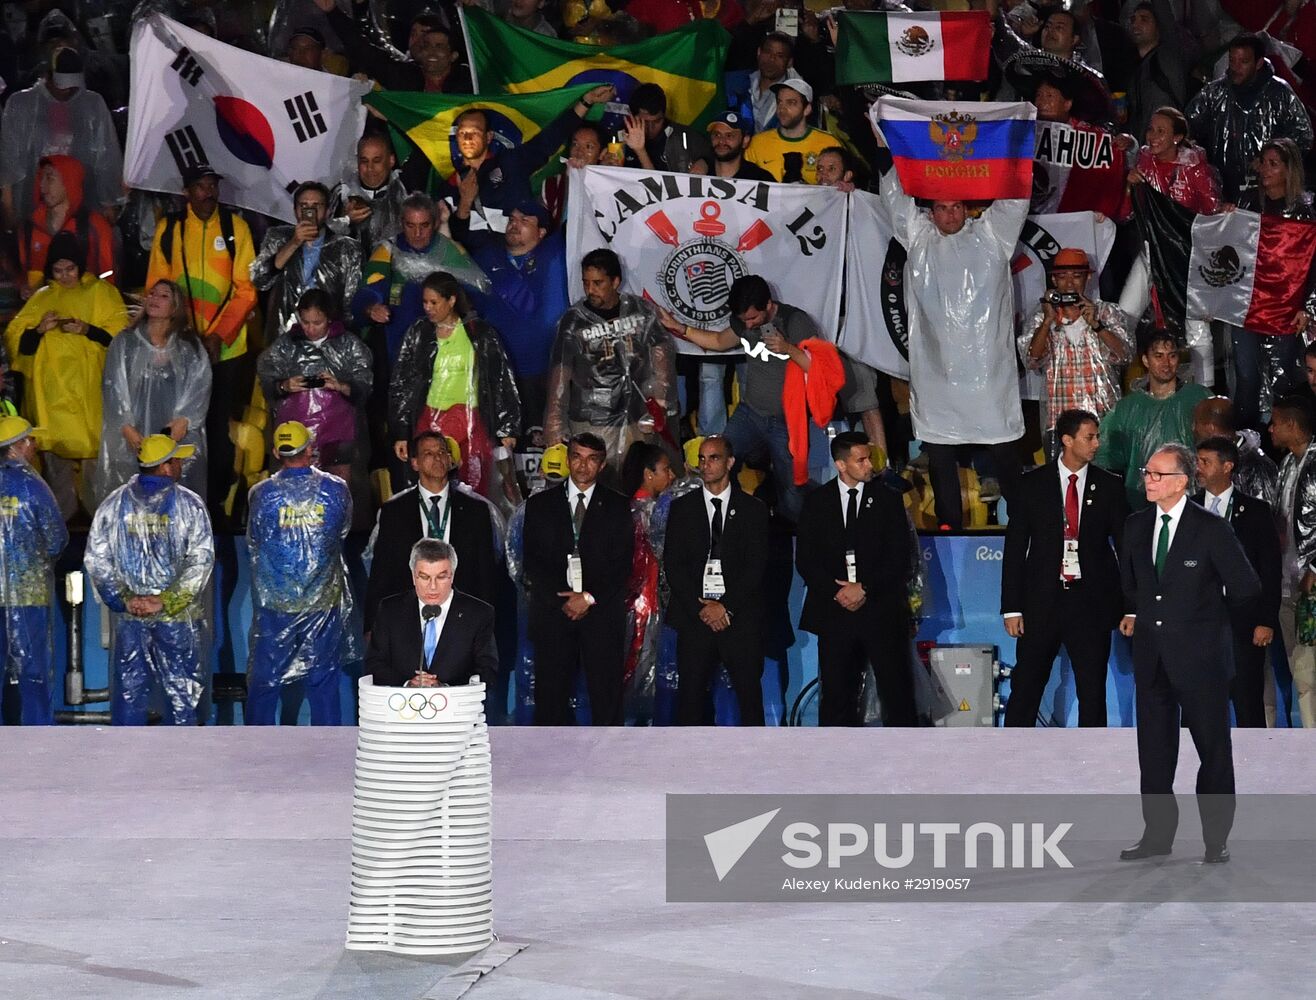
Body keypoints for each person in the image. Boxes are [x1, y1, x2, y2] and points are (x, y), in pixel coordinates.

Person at [875, 131, 1029, 529]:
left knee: (1007, 461)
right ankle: (948, 534)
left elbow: (1015, 198)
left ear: (967, 208)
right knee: (941, 461)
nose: (949, 215)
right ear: (931, 212)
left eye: (956, 207)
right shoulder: (919, 238)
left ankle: (1029, 528)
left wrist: (1018, 140)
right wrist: (885, 141)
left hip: (988, 378)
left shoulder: (992, 236)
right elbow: (894, 196)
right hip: (938, 377)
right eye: (941, 209)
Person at [1117, 443, 1261, 863]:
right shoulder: (1135, 526)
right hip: (1152, 658)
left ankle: (1216, 840)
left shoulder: (1211, 528)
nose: (1148, 479)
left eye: (1157, 474)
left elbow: (1245, 587)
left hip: (1202, 662)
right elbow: (1132, 583)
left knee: (1213, 752)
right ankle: (1157, 836)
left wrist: (1207, 624)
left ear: (1180, 482)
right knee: (1155, 755)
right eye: (1147, 472)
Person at [1001, 409, 1130, 727]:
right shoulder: (1031, 485)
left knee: (1092, 691)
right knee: (1027, 685)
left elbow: (1127, 549)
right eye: (1090, 437)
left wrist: (1132, 606)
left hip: (1091, 603)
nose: (1097, 443)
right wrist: (1011, 608)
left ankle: (1093, 762)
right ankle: (1010, 756)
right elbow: (1015, 549)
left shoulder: (1110, 486)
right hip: (1041, 602)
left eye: (1097, 436)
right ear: (1067, 440)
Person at [145, 163, 257, 521]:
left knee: (219, 426)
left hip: (227, 351)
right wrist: (175, 340)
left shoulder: (235, 228)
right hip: (181, 351)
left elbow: (247, 289)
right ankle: (177, 497)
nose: (208, 193)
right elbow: (158, 291)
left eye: (213, 185)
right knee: (180, 425)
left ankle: (218, 504)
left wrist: (217, 336)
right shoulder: (170, 230)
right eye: (201, 187)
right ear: (186, 192)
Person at [660, 275, 820, 523]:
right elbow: (718, 341)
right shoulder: (744, 322)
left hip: (787, 421)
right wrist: (680, 328)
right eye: (743, 320)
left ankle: (795, 540)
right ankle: (727, 521)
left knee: (792, 492)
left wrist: (788, 348)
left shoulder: (795, 321)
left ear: (768, 305)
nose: (749, 324)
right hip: (750, 413)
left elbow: (819, 368)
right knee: (717, 462)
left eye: (753, 318)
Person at [84, 435, 215, 726]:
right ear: (165, 467)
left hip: (131, 618)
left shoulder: (114, 503)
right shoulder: (189, 504)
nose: (181, 464)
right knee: (183, 694)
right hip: (178, 619)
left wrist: (124, 600)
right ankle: (185, 763)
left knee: (130, 694)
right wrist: (165, 601)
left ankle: (127, 764)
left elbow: (97, 558)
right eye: (176, 459)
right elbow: (201, 560)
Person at [4, 232, 129, 520]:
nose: (64, 276)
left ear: (81, 266)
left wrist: (88, 330)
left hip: (90, 395)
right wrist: (38, 330)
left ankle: (102, 521)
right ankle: (60, 525)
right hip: (52, 399)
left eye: (70, 269)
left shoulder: (101, 293)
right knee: (56, 467)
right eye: (58, 270)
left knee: (94, 465)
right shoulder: (42, 298)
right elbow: (15, 341)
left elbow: (120, 337)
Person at [796, 432, 917, 726]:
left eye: (868, 459)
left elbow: (900, 557)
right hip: (835, 613)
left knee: (897, 693)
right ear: (840, 464)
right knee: (836, 695)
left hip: (880, 609)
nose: (868, 466)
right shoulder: (816, 502)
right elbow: (807, 560)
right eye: (860, 460)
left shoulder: (888, 500)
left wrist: (864, 588)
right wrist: (838, 593)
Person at [246, 421, 356, 725]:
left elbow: (255, 540)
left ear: (275, 452)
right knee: (322, 681)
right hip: (322, 601)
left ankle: (253, 747)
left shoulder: (262, 494)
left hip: (276, 603)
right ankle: (328, 747)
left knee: (266, 681)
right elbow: (340, 532)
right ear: (310, 449)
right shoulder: (336, 490)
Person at [522, 432, 635, 724]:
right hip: (553, 613)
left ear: (602, 465)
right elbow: (533, 561)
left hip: (601, 615)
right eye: (577, 457)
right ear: (568, 459)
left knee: (606, 697)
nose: (583, 466)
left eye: (592, 459)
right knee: (550, 698)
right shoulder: (540, 505)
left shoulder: (619, 506)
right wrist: (563, 599)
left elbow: (623, 563)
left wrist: (587, 597)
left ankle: (609, 763)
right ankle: (550, 765)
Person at [664, 435, 769, 725]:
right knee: (692, 696)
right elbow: (674, 565)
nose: (707, 465)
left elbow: (756, 567)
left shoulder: (753, 510)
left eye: (714, 458)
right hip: (696, 617)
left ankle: (757, 762)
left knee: (749, 695)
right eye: (702, 459)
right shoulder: (682, 508)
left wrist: (725, 607)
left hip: (739, 618)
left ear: (730, 462)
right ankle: (693, 763)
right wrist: (703, 609)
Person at [544, 249, 678, 476]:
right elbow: (560, 373)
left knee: (634, 479)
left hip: (637, 414)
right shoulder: (574, 320)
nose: (590, 290)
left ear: (616, 281)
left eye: (598, 283)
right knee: (596, 480)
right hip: (592, 418)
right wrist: (555, 421)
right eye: (586, 283)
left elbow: (661, 356)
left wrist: (660, 400)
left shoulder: (640, 311)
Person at [389, 272, 521, 500]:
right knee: (430, 483)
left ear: (451, 301)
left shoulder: (479, 333)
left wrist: (507, 427)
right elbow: (402, 383)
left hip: (472, 422)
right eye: (424, 302)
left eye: (434, 302)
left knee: (475, 484)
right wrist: (401, 432)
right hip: (430, 421)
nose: (428, 308)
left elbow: (500, 379)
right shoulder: (418, 333)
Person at [450, 195, 569, 438]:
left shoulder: (557, 255)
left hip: (550, 374)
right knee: (506, 449)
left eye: (525, 220)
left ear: (542, 231)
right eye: (512, 219)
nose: (515, 223)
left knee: (547, 450)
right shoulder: (486, 258)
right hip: (500, 375)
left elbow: (581, 217)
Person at [1120, 107, 1221, 385]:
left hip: (1187, 259)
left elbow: (1212, 217)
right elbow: (1126, 214)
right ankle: (1116, 384)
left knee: (1197, 326)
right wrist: (1129, 187)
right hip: (1151, 253)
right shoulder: (1142, 162)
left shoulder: (1196, 170)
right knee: (1124, 315)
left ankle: (1205, 395)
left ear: (1177, 137)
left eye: (1160, 131)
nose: (1152, 136)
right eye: (1150, 129)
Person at [365, 430, 499, 631]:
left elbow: (486, 575)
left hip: (462, 621)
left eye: (442, 452)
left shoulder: (476, 511)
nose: (437, 458)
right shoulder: (394, 511)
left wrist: (488, 627)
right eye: (428, 453)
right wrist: (371, 627)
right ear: (415, 463)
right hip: (409, 621)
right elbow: (381, 573)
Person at [97, 280, 212, 502]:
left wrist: (184, 421)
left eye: (164, 296)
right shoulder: (124, 343)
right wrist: (127, 427)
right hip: (133, 438)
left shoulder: (190, 348)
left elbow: (200, 387)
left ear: (175, 306)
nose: (155, 298)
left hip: (175, 437)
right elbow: (113, 387)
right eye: (152, 293)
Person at [1228, 138, 1316, 430]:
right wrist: (1225, 219)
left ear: (1289, 170)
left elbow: (1313, 266)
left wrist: (1307, 307)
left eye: (1273, 164)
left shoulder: (1306, 211)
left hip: (1287, 307)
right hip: (1248, 305)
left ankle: (1286, 439)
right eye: (1262, 162)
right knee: (1247, 376)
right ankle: (1246, 440)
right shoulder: (1249, 204)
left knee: (1285, 376)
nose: (1264, 169)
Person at [440, 86, 616, 231]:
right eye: (463, 133)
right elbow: (449, 239)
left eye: (475, 133)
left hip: (525, 258)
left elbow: (551, 138)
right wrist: (465, 202)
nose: (468, 139)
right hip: (480, 264)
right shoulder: (449, 186)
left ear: (489, 136)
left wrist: (586, 101)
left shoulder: (512, 162)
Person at [1194, 435, 1280, 728]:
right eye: (1198, 461)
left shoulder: (1255, 512)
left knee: (1247, 702)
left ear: (1227, 466)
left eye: (1206, 462)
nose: (1199, 468)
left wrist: (1266, 619)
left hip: (1243, 623)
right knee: (1198, 704)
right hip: (1198, 622)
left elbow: (1270, 570)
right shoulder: (1187, 509)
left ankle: (1254, 769)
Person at [1018, 247, 1132, 451]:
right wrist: (1047, 322)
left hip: (1104, 419)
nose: (1069, 283)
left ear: (1087, 278)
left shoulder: (1106, 312)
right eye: (1062, 277)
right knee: (1062, 481)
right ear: (1054, 281)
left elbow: (1124, 355)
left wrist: (1097, 325)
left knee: (1104, 480)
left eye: (1076, 276)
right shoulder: (1042, 317)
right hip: (1061, 422)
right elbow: (1032, 360)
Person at [257, 288, 373, 484]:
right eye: (305, 322)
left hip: (339, 437)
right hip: (295, 437)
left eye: (317, 323)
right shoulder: (286, 345)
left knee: (339, 489)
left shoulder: (349, 345)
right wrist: (284, 386)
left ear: (329, 318)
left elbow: (364, 387)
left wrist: (340, 386)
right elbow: (266, 379)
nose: (310, 329)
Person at [0, 45, 122, 229]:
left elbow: (105, 157)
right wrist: (9, 208)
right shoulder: (21, 104)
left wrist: (109, 203)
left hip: (81, 203)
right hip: (33, 205)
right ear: (48, 75)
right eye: (61, 85)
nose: (66, 91)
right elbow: (9, 160)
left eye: (72, 86)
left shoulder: (92, 104)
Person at [1186, 32, 1313, 201]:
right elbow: (1187, 127)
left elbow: (1303, 135)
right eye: (1232, 61)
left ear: (1259, 63)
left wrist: (1269, 160)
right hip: (1221, 190)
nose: (1236, 67)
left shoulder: (1279, 93)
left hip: (1267, 193)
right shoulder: (1214, 93)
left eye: (1243, 62)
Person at [0, 417, 69, 725]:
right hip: (28, 595)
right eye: (30, 441)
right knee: (33, 671)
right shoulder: (33, 486)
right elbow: (56, 539)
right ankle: (38, 739)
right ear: (16, 447)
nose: (35, 446)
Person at [1095, 331, 1211, 509]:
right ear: (1145, 360)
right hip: (1141, 503)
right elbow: (1108, 456)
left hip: (1190, 501)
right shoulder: (1127, 408)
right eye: (1158, 356)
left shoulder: (1198, 398)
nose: (1166, 363)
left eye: (1172, 356)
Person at [365, 538, 499, 689]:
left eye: (441, 577)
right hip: (401, 707)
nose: (433, 587)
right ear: (413, 576)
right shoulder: (390, 610)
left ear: (452, 575)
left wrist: (445, 689)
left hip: (457, 708)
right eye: (424, 577)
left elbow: (487, 671)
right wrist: (408, 684)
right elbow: (374, 664)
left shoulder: (478, 613)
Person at [250, 181, 362, 341]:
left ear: (327, 211)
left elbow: (351, 303)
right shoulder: (278, 237)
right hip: (285, 338)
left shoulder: (347, 248)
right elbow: (260, 280)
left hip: (328, 339)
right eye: (303, 205)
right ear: (295, 211)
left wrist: (342, 343)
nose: (310, 211)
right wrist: (294, 242)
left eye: (317, 205)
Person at [620, 440, 680, 722]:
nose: (672, 477)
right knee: (648, 670)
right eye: (666, 470)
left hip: (635, 604)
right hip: (651, 604)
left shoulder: (623, 509)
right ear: (648, 473)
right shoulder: (656, 512)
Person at [1269, 395, 1316, 727]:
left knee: (1310, 672)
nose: (1270, 428)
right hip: (1286, 585)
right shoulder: (1286, 463)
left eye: (1275, 422)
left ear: (1291, 425)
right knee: (1301, 674)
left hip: (1310, 586)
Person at [17, 155, 115, 295]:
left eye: (50, 178)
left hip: (83, 311)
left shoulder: (95, 226)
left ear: (69, 181)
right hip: (41, 311)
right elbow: (22, 273)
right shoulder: (28, 228)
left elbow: (108, 277)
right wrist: (22, 287)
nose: (42, 186)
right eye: (41, 178)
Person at [1192, 396, 1278, 509]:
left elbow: (1264, 515)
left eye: (1196, 423)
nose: (1193, 429)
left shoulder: (1256, 465)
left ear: (1210, 428)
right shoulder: (1202, 462)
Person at [744, 79, 836, 185]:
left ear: (807, 109)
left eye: (791, 103)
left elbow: (842, 185)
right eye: (779, 102)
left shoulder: (828, 143)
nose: (782, 109)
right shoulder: (757, 143)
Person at [328, 134, 408, 251]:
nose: (370, 168)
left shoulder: (405, 188)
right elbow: (324, 243)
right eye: (364, 161)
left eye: (377, 160)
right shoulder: (342, 193)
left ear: (391, 161)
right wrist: (345, 220)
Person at [1125, 2, 1188, 138]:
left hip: (1164, 147)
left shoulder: (1167, 56)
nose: (1136, 25)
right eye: (1133, 20)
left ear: (1159, 26)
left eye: (1144, 19)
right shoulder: (1138, 68)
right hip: (1146, 149)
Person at [620, 83, 714, 174]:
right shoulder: (619, 136)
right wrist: (607, 166)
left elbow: (715, 155)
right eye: (645, 122)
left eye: (657, 121)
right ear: (632, 117)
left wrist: (704, 162)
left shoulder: (682, 136)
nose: (651, 128)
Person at [706, 111, 775, 182]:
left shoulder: (760, 180)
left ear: (745, 141)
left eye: (729, 136)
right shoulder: (700, 176)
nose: (721, 141)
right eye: (717, 135)